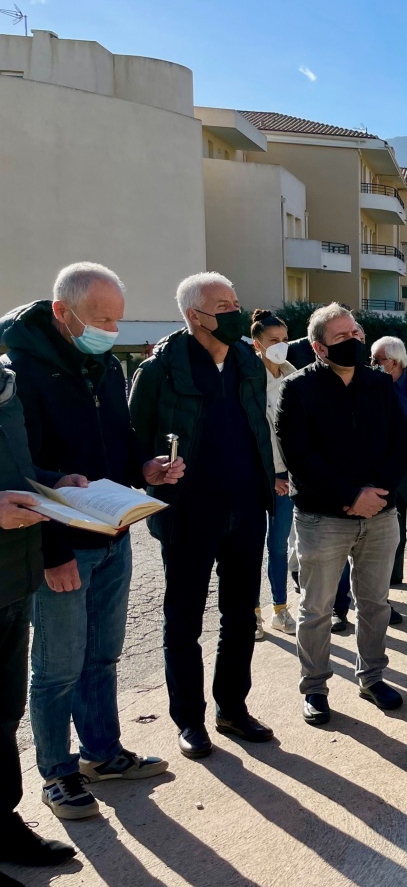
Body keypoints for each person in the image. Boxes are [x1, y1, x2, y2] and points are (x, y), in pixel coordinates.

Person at [1, 262, 180, 819]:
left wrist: (143, 468)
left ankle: (103, 754)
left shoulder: (99, 364)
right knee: (57, 666)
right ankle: (58, 773)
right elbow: (22, 467)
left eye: (117, 320)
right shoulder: (20, 370)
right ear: (63, 311)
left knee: (102, 654)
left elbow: (116, 439)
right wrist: (52, 552)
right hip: (58, 542)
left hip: (112, 530)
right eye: (101, 319)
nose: (110, 331)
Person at [129, 272, 277, 759]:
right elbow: (135, 441)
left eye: (236, 301)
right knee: (183, 621)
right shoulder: (160, 370)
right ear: (195, 315)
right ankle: (189, 720)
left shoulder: (246, 362)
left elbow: (259, 426)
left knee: (239, 614)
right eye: (223, 305)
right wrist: (150, 468)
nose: (235, 311)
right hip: (188, 514)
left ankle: (232, 708)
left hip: (246, 509)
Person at [276, 305, 407, 726]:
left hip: (380, 514)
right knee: (316, 608)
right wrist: (350, 494)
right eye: (341, 338)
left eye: (355, 333)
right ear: (319, 347)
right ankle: (315, 687)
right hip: (323, 518)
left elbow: (404, 443)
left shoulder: (379, 384)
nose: (353, 341)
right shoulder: (297, 389)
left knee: (375, 604)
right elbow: (299, 455)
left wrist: (379, 494)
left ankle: (372, 677)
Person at [0, 365, 77, 887]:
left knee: (3, 712)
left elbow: (15, 467)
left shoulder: (5, 381)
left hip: (12, 574)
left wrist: (53, 483)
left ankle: (2, 826)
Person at [250, 310, 297, 640]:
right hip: (257, 477)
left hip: (288, 478)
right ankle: (252, 613)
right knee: (251, 547)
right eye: (273, 341)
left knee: (279, 546)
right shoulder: (248, 379)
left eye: (284, 340)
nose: (281, 346)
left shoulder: (294, 377)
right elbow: (253, 435)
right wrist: (271, 476)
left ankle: (280, 609)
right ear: (258, 344)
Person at [371, 335, 407, 597]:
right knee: (393, 521)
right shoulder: (373, 383)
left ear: (393, 362)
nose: (372, 364)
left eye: (377, 359)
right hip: (389, 464)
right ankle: (393, 574)